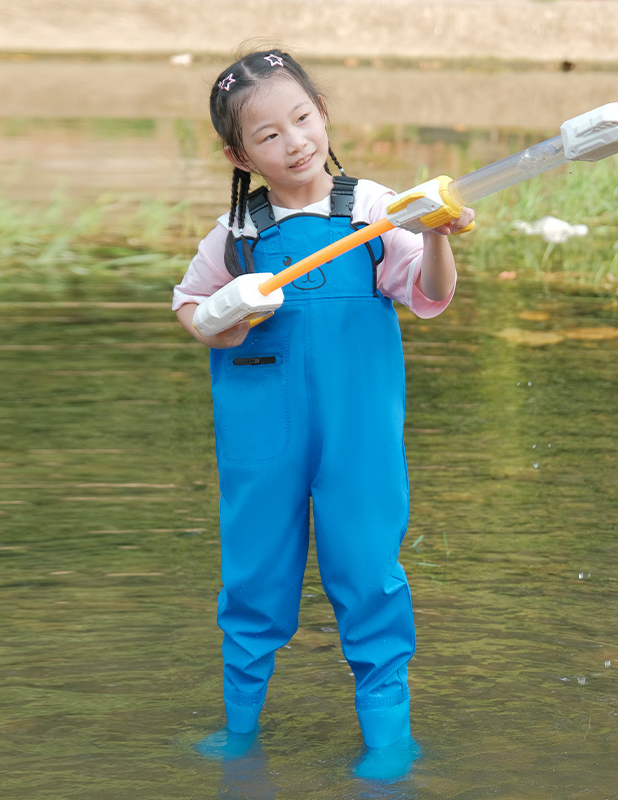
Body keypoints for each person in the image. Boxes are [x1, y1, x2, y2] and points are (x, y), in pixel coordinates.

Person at [172, 48, 474, 779]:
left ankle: (389, 742)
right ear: (239, 154)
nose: (295, 142)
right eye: (268, 134)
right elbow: (191, 307)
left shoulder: (373, 209)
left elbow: (429, 294)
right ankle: (239, 731)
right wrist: (224, 322)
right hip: (261, 436)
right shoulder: (237, 234)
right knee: (253, 577)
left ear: (324, 114)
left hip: (358, 432)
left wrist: (436, 233)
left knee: (368, 572)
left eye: (302, 118)